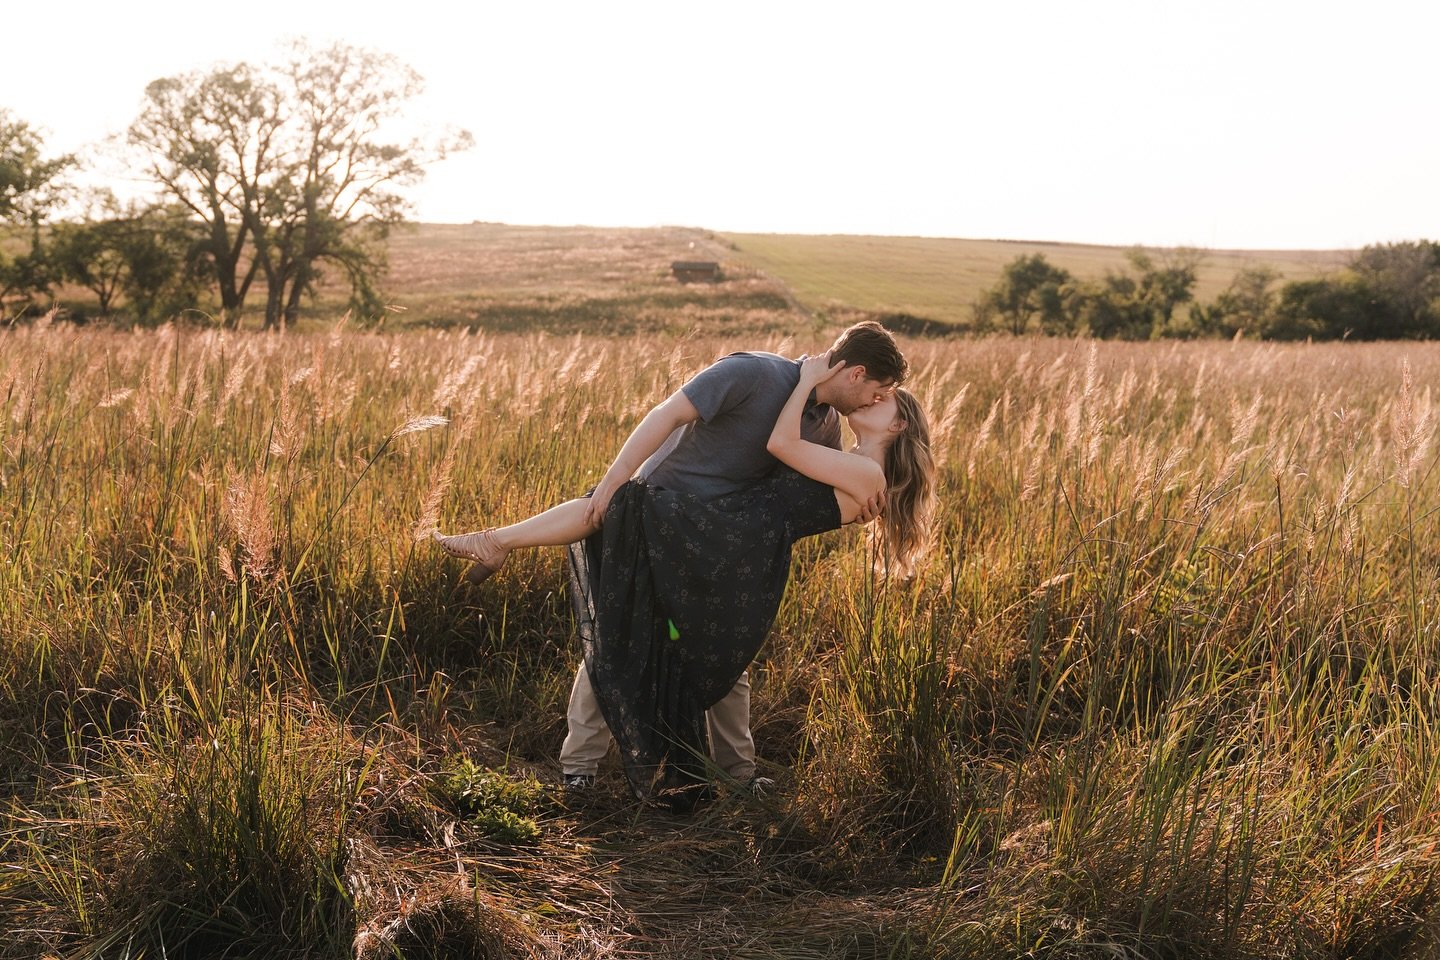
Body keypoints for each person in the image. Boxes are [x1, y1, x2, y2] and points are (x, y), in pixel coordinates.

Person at [435, 322, 931, 803]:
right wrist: (615, 480)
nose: (874, 401)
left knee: (723, 659)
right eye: (880, 390)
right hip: (669, 514)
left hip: (721, 548)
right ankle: (580, 769)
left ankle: (735, 775)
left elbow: (797, 479)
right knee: (620, 633)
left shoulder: (825, 431)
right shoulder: (754, 373)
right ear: (855, 372)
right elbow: (667, 414)